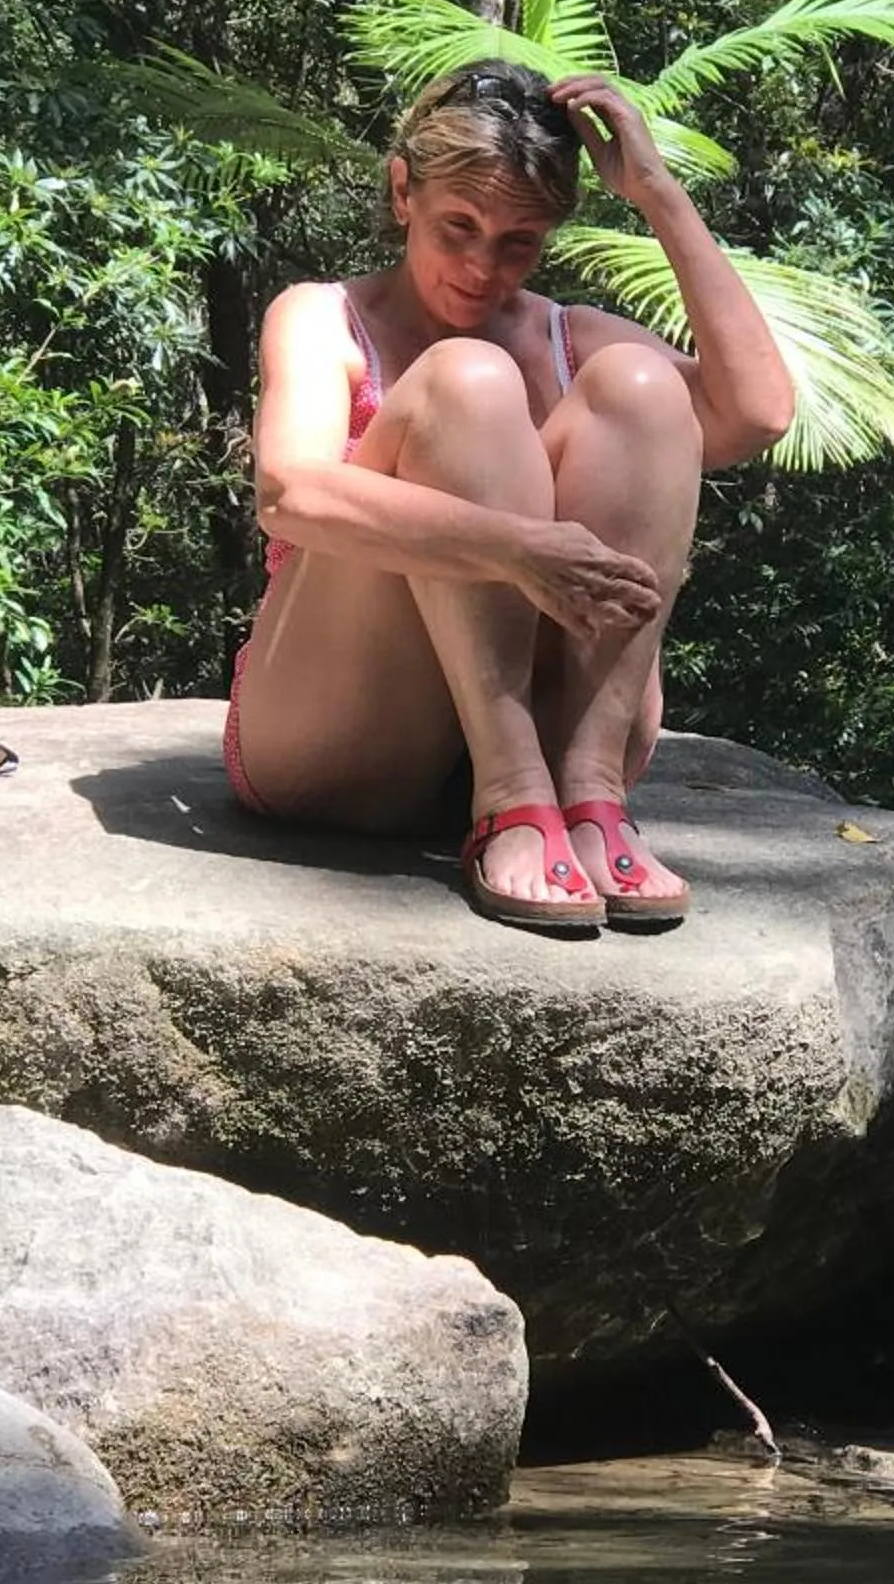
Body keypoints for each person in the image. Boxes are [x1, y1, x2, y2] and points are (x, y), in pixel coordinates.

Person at [226, 61, 796, 933]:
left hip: (565, 746)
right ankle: (512, 793)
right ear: (403, 190)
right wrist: (516, 548)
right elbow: (290, 494)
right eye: (458, 225)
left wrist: (656, 192)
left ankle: (589, 793)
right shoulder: (321, 317)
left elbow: (757, 411)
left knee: (645, 385)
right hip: (343, 737)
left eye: (516, 242)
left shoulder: (571, 338)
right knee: (466, 381)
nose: (480, 267)